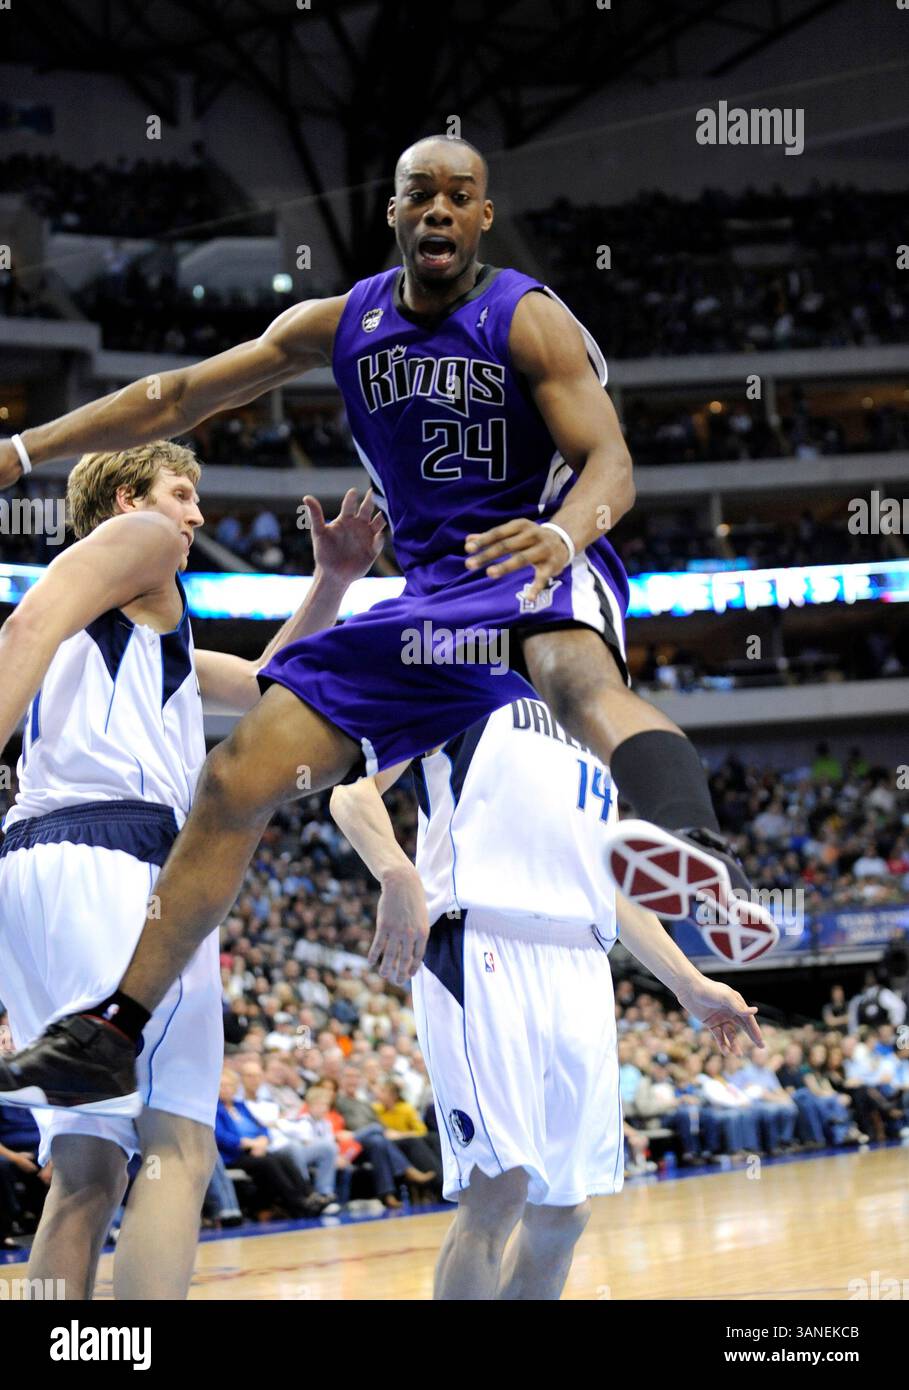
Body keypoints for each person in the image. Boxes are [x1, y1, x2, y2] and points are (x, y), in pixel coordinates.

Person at [0, 133, 775, 1119]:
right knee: (241, 773)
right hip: (428, 606)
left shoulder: (527, 319)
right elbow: (179, 395)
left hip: (532, 550)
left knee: (574, 672)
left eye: (461, 195)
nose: (441, 209)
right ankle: (111, 1032)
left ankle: (686, 838)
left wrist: (564, 533)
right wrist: (25, 449)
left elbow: (611, 464)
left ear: (483, 217)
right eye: (422, 194)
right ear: (398, 213)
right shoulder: (344, 321)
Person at [0, 441, 383, 1298]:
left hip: (35, 868)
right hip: (121, 866)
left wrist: (331, 584)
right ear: (131, 499)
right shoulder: (139, 547)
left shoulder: (125, 618)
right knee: (179, 1147)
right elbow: (17, 631)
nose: (197, 517)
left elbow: (265, 685)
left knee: (88, 1168)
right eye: (183, 495)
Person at [330, 693, 762, 1300]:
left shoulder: (593, 715)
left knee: (564, 1212)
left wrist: (689, 984)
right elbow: (352, 792)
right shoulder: (460, 670)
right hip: (479, 937)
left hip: (580, 958)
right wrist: (397, 873)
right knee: (498, 1189)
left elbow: (608, 883)